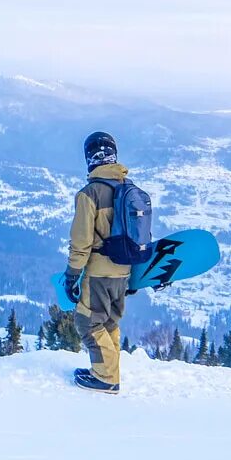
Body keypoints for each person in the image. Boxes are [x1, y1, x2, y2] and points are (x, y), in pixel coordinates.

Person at [64, 131, 130, 393]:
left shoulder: (89, 194)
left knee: (87, 321)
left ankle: (105, 377)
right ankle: (107, 371)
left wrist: (72, 275)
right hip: (124, 271)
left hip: (99, 271)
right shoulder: (129, 189)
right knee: (110, 322)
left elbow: (81, 242)